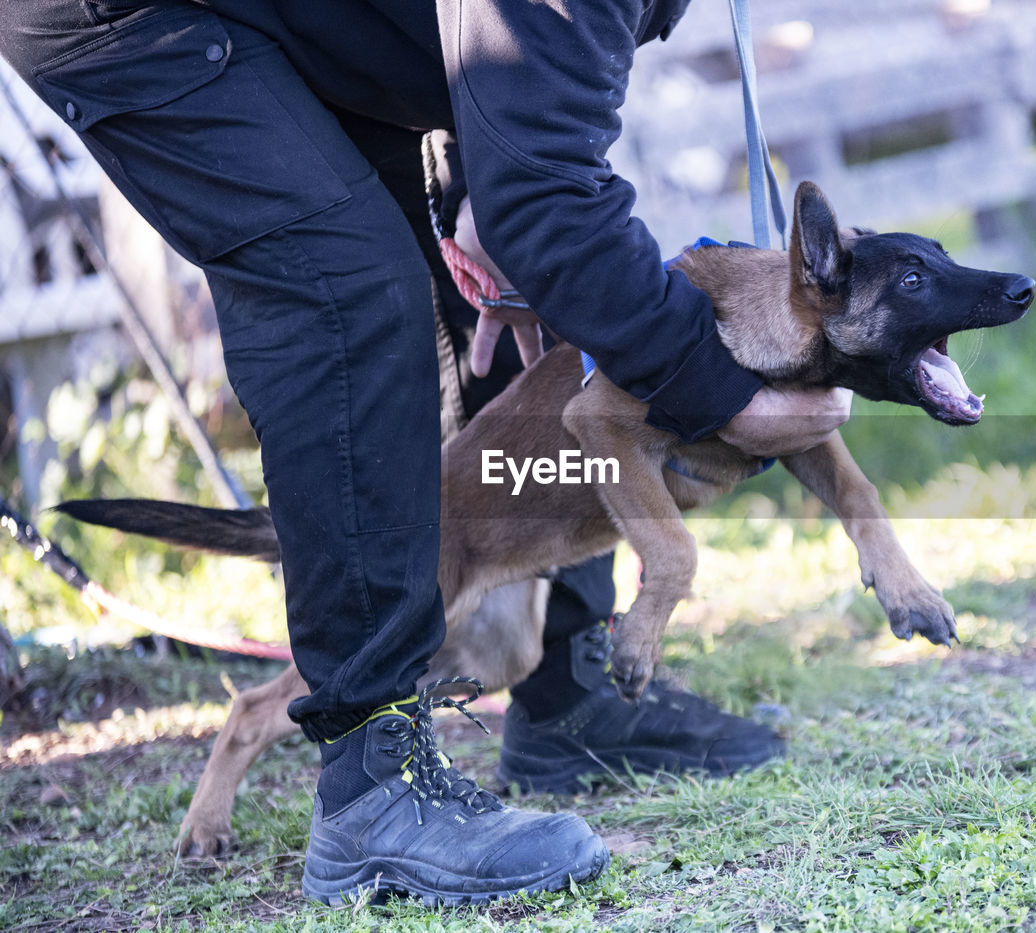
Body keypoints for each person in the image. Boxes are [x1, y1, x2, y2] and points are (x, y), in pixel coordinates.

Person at [0, 0, 851, 906]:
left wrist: (473, 179)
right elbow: (552, 181)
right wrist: (724, 396)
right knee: (352, 290)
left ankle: (564, 679)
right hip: (135, 17)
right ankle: (374, 784)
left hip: (299, 26)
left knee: (504, 277)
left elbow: (481, 56)